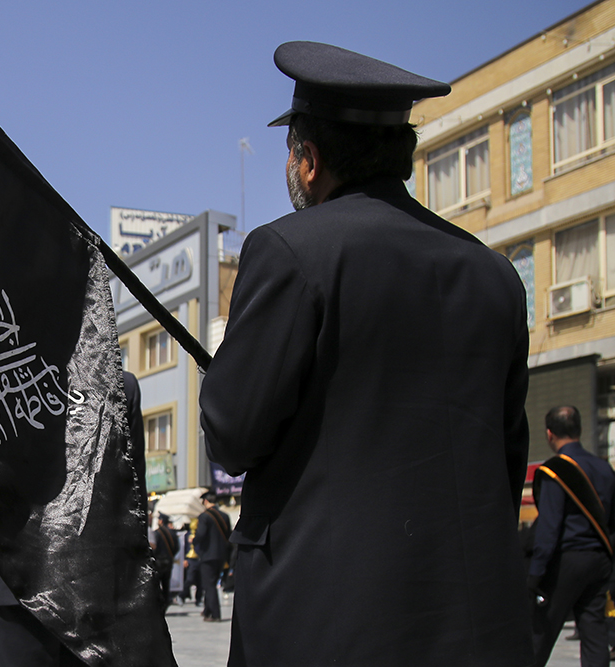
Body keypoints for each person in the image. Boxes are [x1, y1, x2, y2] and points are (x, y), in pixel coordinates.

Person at [199, 41, 533, 666]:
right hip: (476, 628)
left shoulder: (290, 251)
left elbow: (233, 434)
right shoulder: (495, 276)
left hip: (325, 625)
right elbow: (504, 461)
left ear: (308, 161)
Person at [529, 406, 615, 667]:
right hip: (600, 560)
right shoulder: (604, 468)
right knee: (594, 632)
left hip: (567, 561)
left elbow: (549, 525)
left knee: (539, 631)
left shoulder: (555, 470)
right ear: (578, 430)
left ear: (549, 433)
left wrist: (536, 572)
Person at [194, 492, 231, 622]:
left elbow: (201, 534)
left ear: (205, 501)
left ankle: (215, 614)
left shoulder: (204, 516)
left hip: (208, 556)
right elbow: (228, 535)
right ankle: (208, 610)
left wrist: (194, 541)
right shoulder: (225, 516)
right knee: (212, 583)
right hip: (221, 555)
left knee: (208, 585)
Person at [151, 514, 179, 613]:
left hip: (158, 562)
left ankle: (158, 606)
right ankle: (165, 604)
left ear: (161, 521)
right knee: (166, 585)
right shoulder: (173, 533)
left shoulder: (157, 533)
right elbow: (177, 548)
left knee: (156, 585)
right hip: (169, 561)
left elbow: (154, 548)